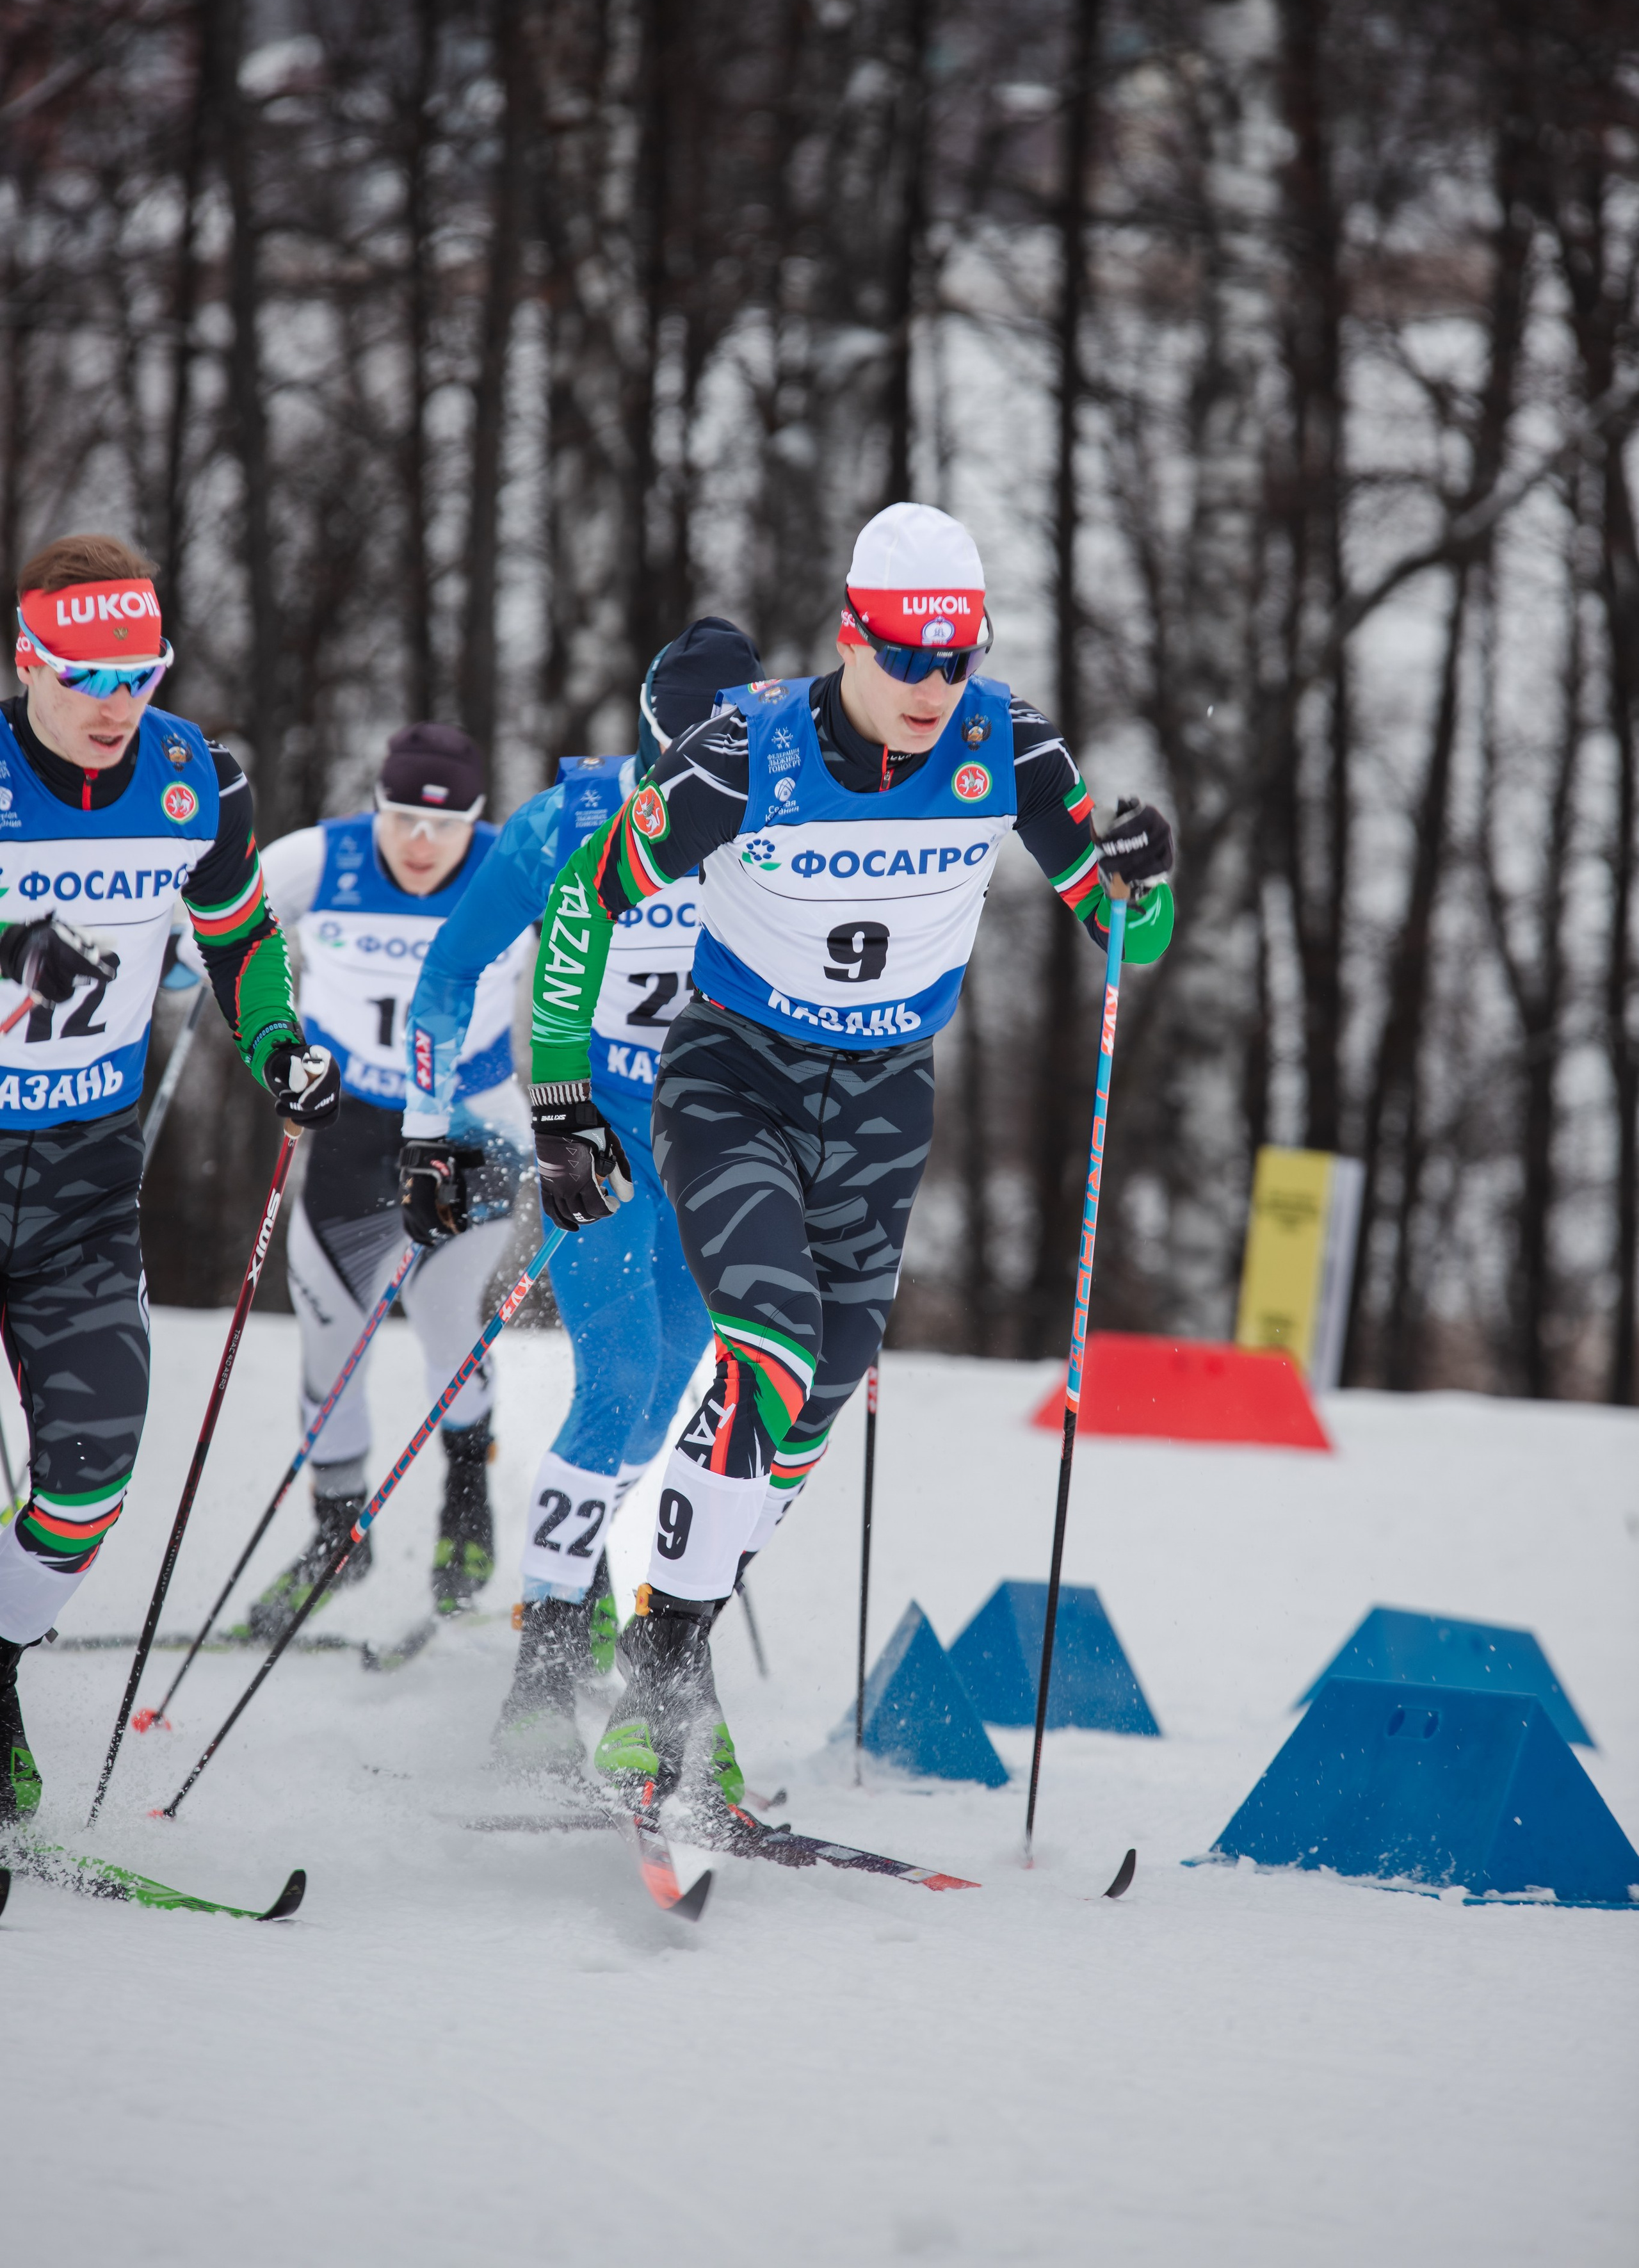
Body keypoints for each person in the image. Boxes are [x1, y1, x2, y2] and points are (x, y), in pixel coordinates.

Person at [522, 502, 1177, 1836]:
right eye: (908, 657)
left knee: (818, 1393)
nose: (935, 686)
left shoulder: (1007, 747)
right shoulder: (744, 753)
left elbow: (1127, 938)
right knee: (767, 1345)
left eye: (958, 656)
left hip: (883, 1100)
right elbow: (589, 894)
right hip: (735, 1077)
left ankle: (672, 1644)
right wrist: (560, 1095)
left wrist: (1146, 878)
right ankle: (657, 1678)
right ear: (851, 638)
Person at [0, 533, 339, 1825]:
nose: (113, 706)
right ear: (28, 660)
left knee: (90, 1476)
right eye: (84, 676)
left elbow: (239, 936)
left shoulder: (196, 782)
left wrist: (278, 1043)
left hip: (83, 1180)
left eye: (138, 676)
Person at [400, 618, 761, 1772]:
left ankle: (592, 1579)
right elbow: (452, 966)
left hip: (713, 1138)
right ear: (651, 735)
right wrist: (425, 1127)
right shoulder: (569, 821)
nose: (704, 777)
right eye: (682, 750)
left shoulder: (776, 810)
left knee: (667, 1394)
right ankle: (543, 1671)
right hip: (591, 1124)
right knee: (617, 1379)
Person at [228, 724, 535, 1636]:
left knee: (445, 1314)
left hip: (473, 1122)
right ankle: (338, 1533)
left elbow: (602, 937)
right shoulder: (321, 860)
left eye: (445, 825)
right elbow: (221, 918)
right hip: (354, 1123)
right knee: (329, 1328)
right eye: (402, 819)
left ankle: (467, 1507)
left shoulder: (516, 864)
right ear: (375, 807)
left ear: (477, 820)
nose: (421, 843)